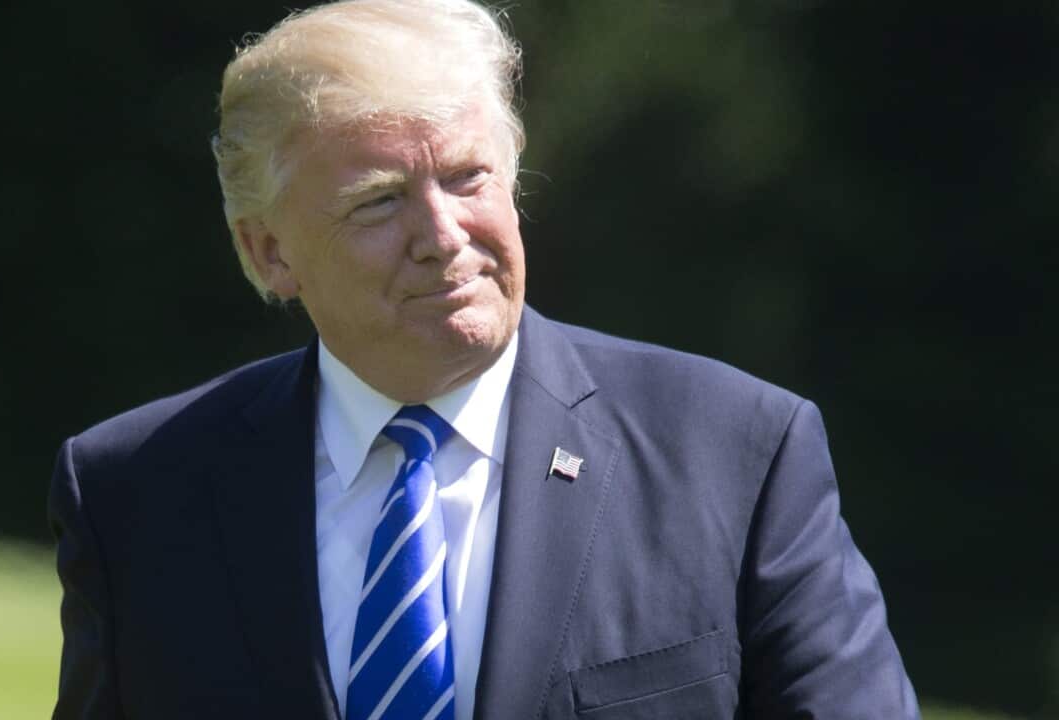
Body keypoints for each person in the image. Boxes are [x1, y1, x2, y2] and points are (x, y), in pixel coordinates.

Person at [48, 0, 920, 717]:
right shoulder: (137, 490)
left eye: (469, 178)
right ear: (269, 250)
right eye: (379, 202)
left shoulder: (734, 452)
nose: (442, 235)